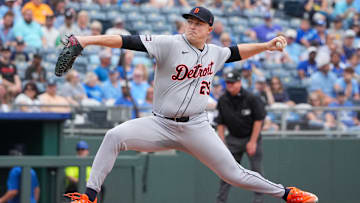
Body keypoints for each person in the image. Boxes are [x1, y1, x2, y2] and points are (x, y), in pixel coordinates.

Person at [62, 7, 318, 203]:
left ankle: (286, 194)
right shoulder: (169, 43)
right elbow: (125, 40)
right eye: (190, 22)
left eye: (198, 24)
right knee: (114, 136)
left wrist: (265, 46)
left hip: (196, 126)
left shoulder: (216, 53)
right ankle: (89, 197)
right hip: (160, 124)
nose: (192, 26)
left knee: (234, 174)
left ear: (210, 29)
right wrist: (86, 40)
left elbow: (237, 51)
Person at [215, 70, 266, 203]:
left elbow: (259, 119)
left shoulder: (251, 98)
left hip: (250, 137)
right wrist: (222, 141)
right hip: (233, 139)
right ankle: (221, 201)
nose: (230, 85)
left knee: (256, 171)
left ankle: (258, 200)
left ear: (239, 82)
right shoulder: (223, 99)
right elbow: (220, 122)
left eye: (232, 82)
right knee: (227, 172)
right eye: (228, 83)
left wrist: (253, 141)